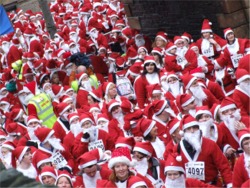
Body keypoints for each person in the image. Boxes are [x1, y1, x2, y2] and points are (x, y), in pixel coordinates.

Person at [173, 115, 232, 187]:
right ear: (184, 132)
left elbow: (223, 165)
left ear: (199, 128)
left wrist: (230, 184)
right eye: (189, 128)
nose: (192, 131)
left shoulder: (210, 144)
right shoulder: (178, 148)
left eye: (194, 128)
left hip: (211, 185)